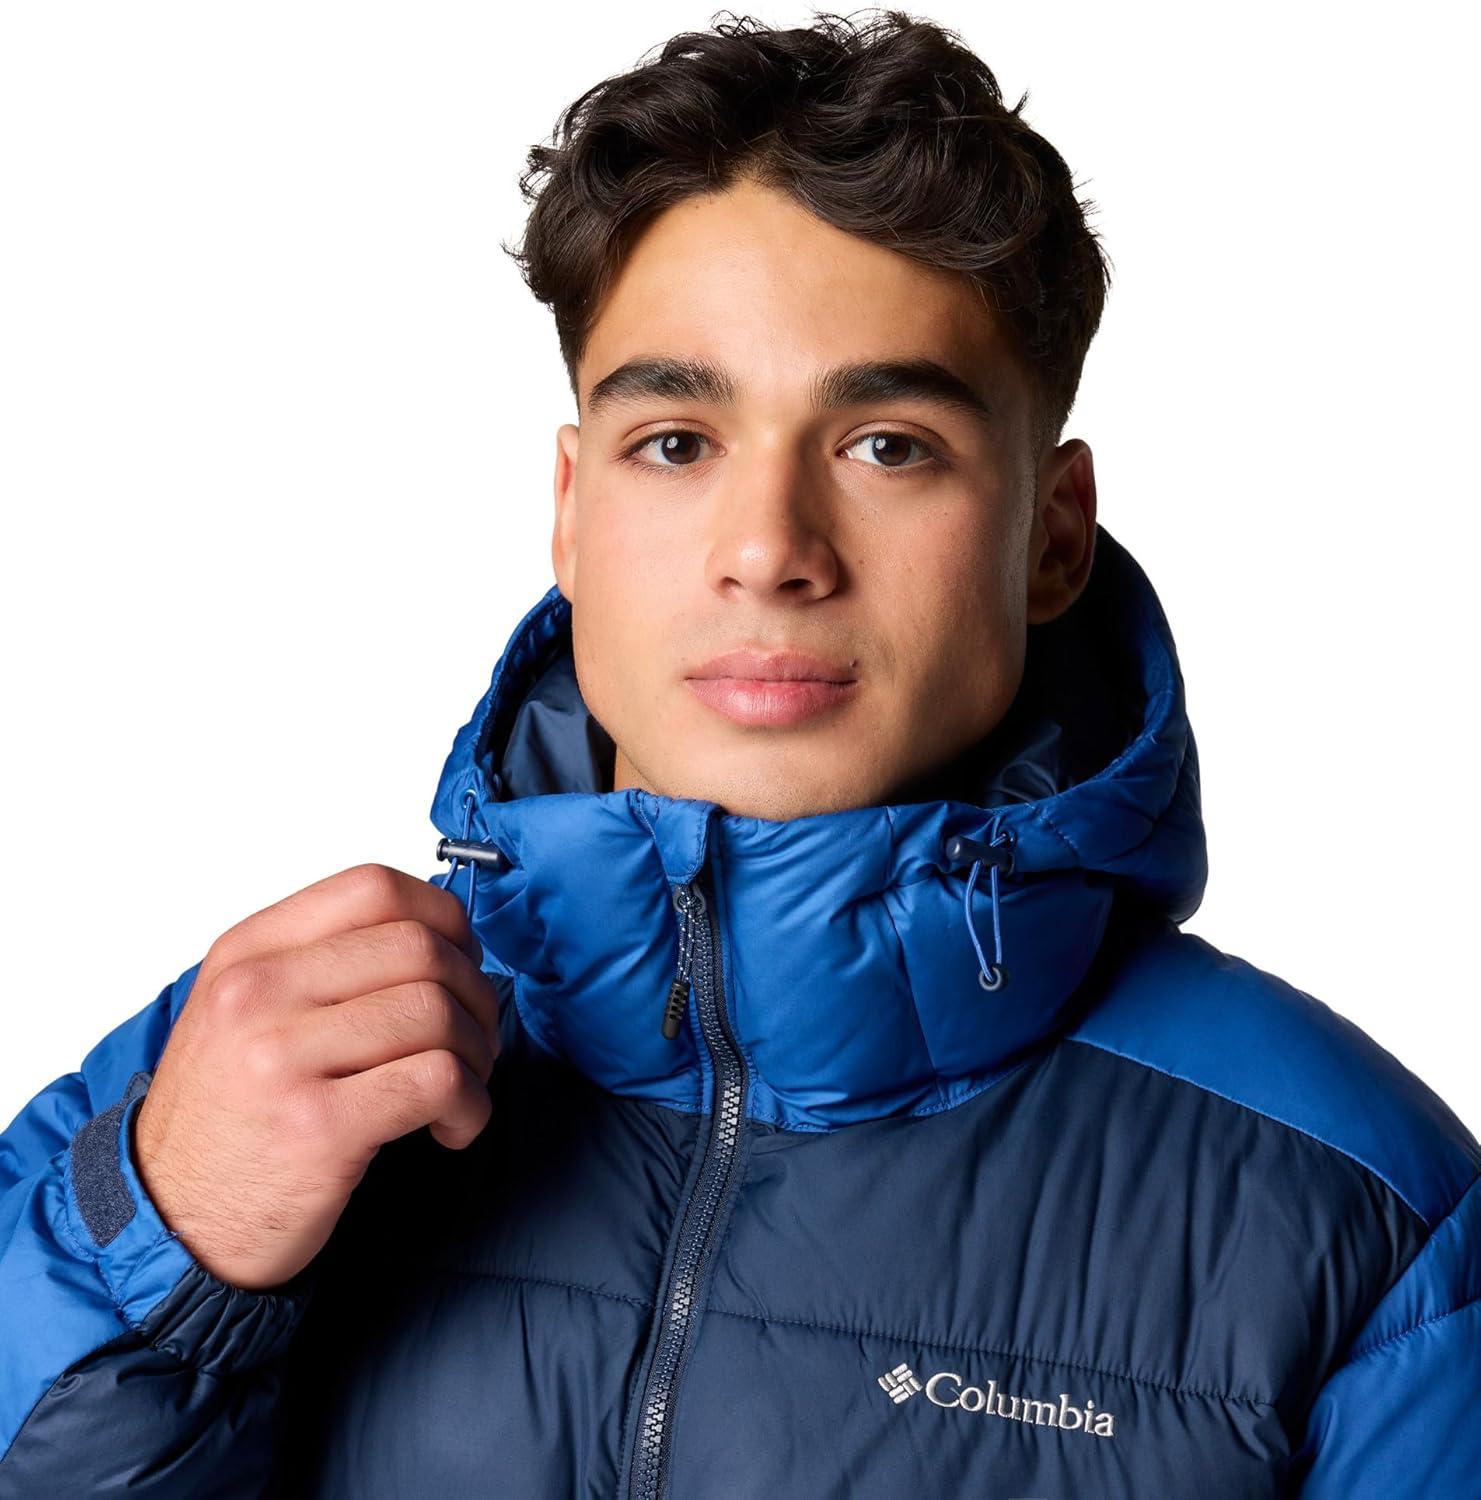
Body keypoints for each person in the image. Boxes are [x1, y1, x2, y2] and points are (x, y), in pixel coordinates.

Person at [2, 10, 1477, 1497]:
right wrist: (163, 1256)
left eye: (887, 444)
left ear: (1051, 535)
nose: (769, 550)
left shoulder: (1367, 1219)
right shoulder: (241, 1057)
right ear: (569, 506)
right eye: (676, 443)